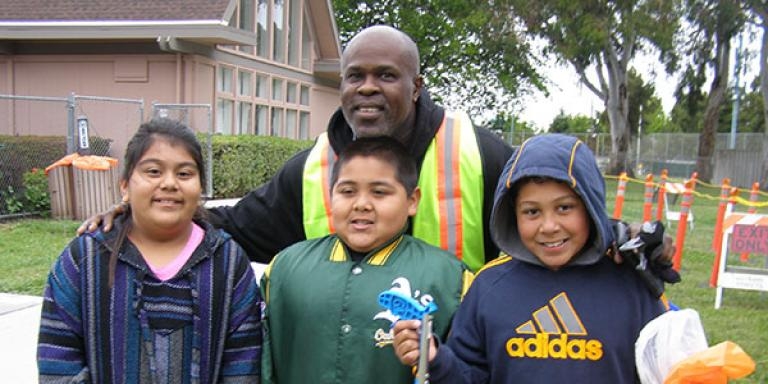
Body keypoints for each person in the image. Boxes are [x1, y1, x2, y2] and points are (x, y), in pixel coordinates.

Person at [78, 25, 676, 285]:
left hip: (454, 361)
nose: (367, 87)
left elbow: (553, 214)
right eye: (354, 75)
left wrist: (617, 239)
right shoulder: (311, 168)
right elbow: (235, 227)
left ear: (416, 87)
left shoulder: (478, 151)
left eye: (386, 76)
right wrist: (144, 212)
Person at [392, 134, 668, 383]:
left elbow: (666, 372)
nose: (548, 226)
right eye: (532, 212)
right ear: (512, 214)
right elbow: (469, 376)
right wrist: (436, 360)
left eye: (564, 207)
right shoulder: (490, 286)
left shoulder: (633, 283)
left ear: (590, 207)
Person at [38, 118, 262, 383]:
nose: (169, 183)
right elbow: (58, 362)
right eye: (153, 171)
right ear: (125, 185)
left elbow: (243, 366)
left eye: (184, 173)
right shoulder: (84, 260)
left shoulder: (228, 264)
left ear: (200, 186)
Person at [260, 136, 472, 383]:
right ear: (331, 196)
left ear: (412, 201)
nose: (361, 204)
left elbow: (469, 371)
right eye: (347, 191)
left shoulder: (450, 278)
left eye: (379, 192)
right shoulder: (283, 269)